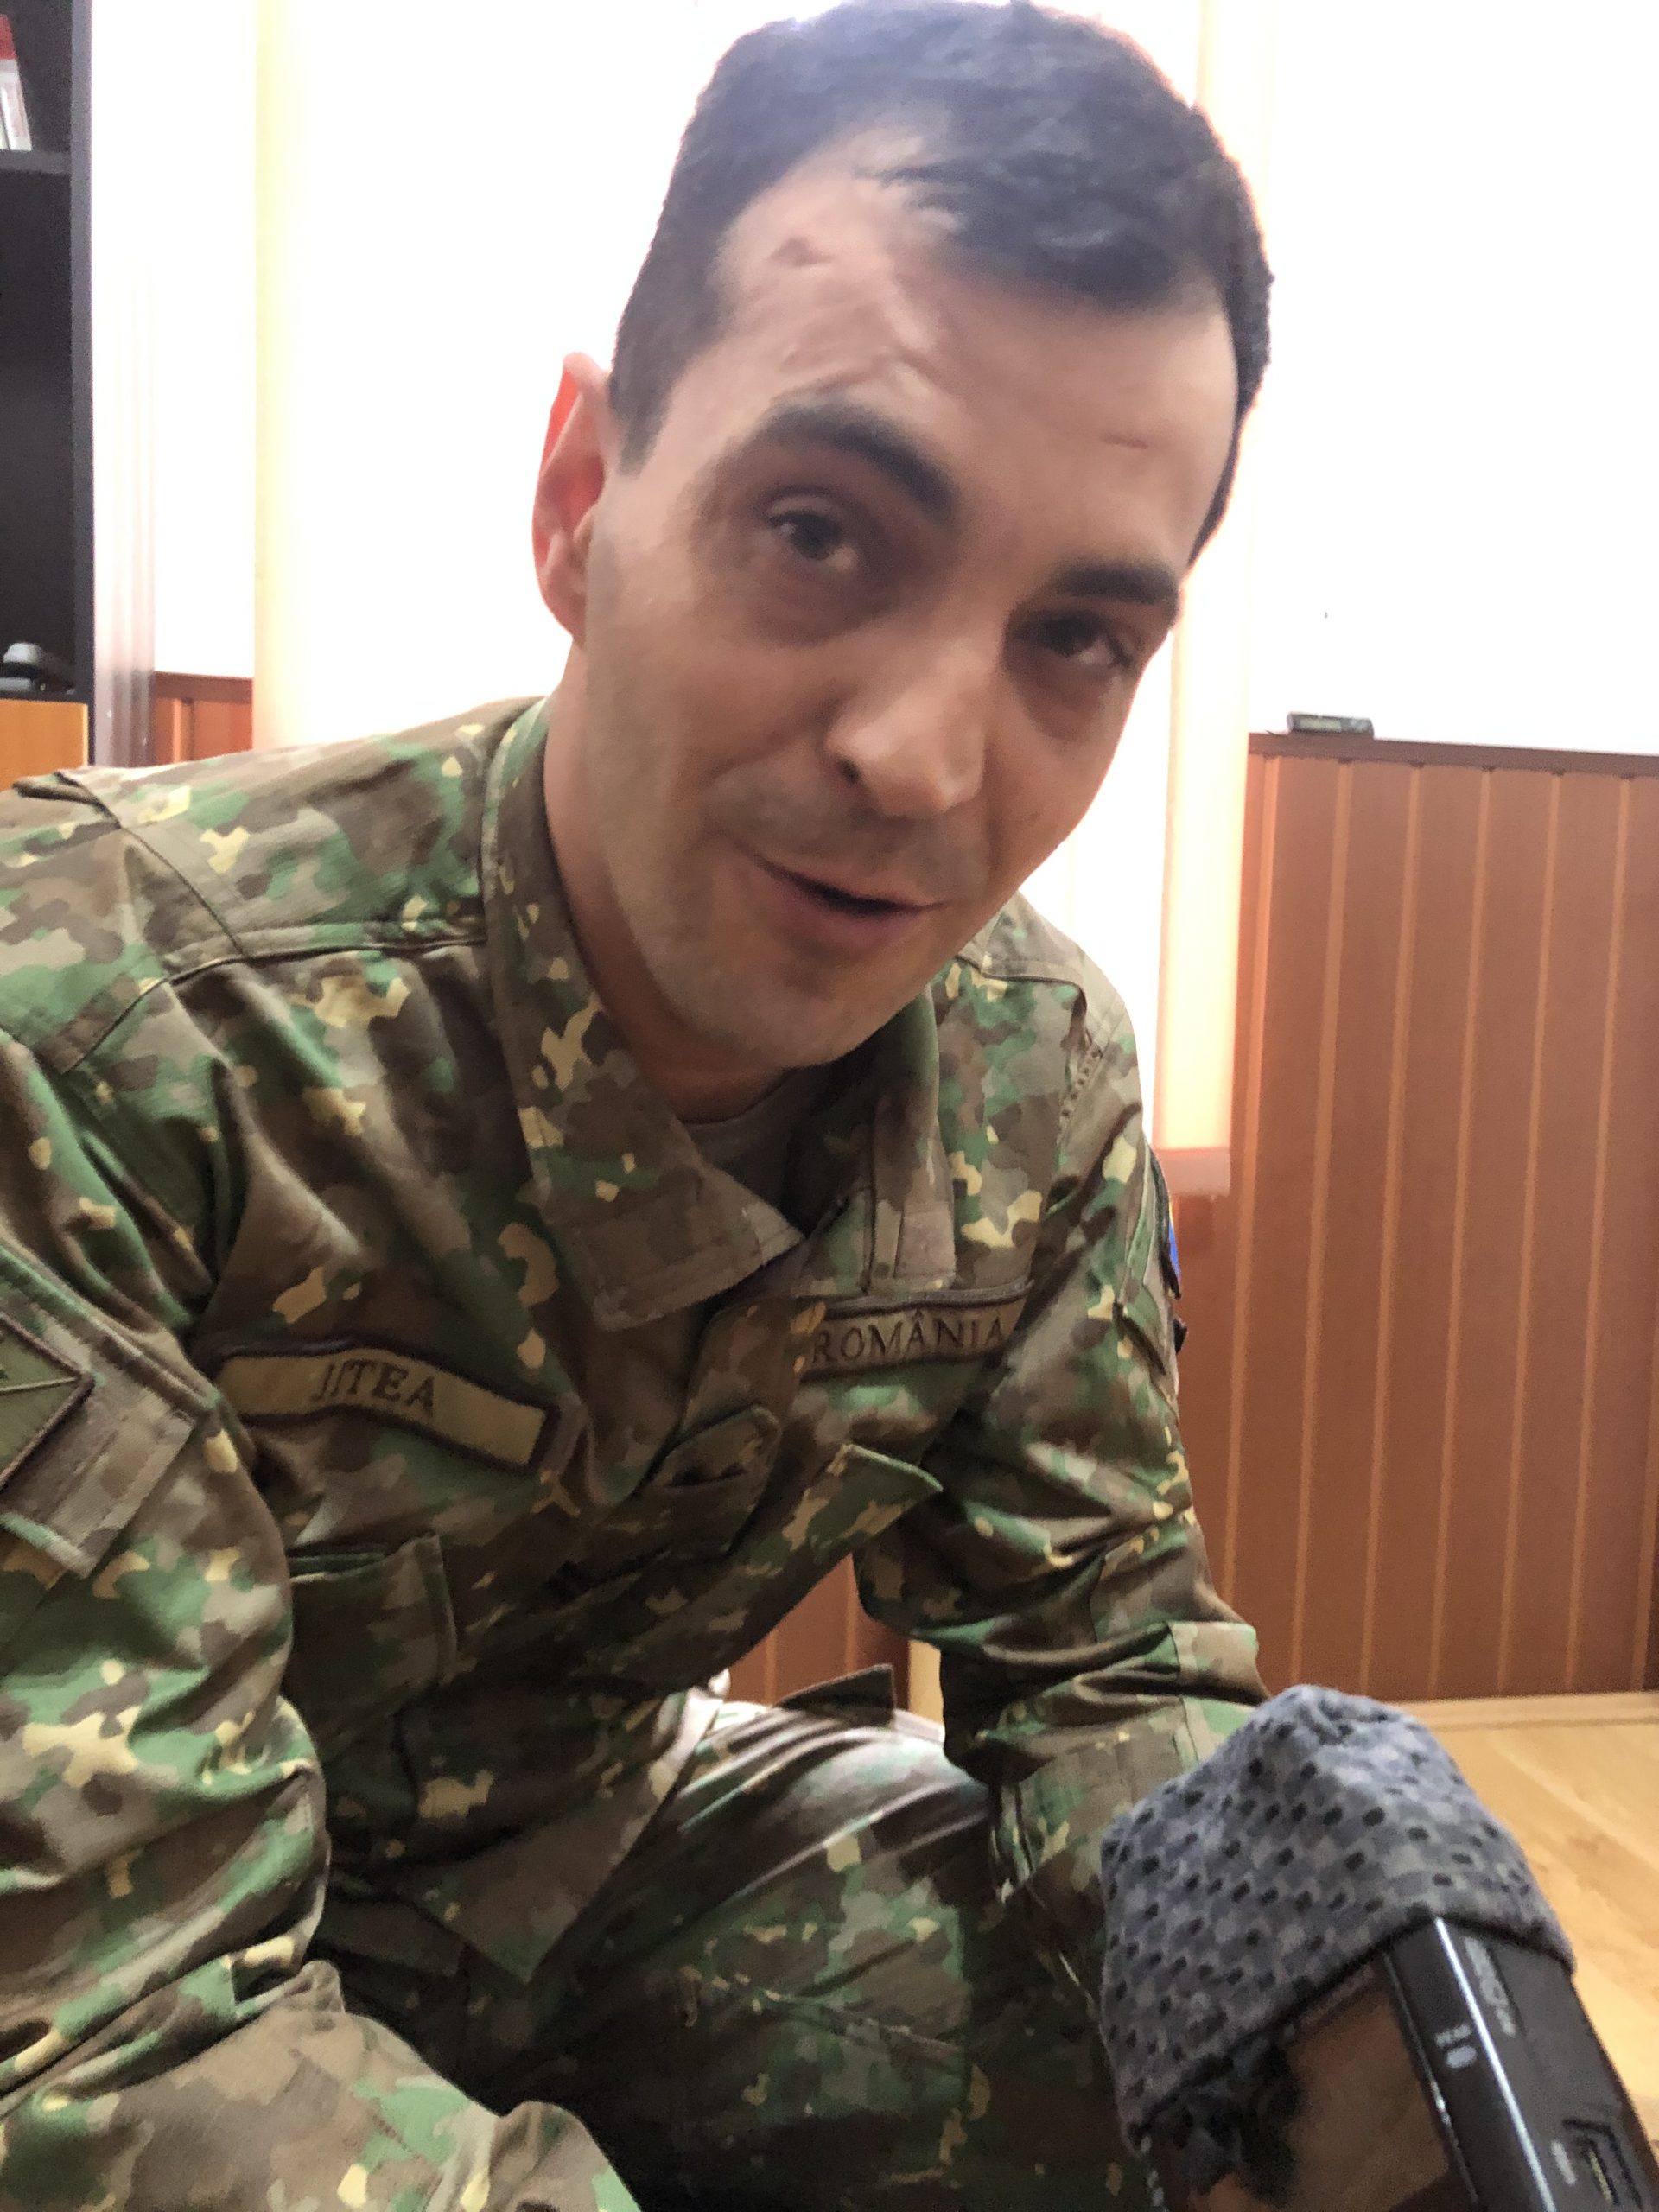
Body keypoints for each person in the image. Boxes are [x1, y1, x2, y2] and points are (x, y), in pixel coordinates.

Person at [0, 3, 1272, 2205]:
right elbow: (101, 2035)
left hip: (585, 1862)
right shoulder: (98, 1023)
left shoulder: (1031, 1066)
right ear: (584, 499)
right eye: (821, 528)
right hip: (109, 1942)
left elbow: (1104, 1664)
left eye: (1074, 637)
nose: (924, 759)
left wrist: (1360, 1993)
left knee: (1212, 2051)